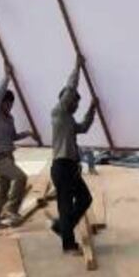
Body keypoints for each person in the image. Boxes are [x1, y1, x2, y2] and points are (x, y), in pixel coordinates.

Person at [49, 56, 97, 254]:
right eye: (75, 102)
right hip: (61, 166)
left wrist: (92, 108)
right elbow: (70, 88)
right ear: (66, 101)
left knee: (85, 198)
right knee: (66, 205)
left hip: (70, 167)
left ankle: (62, 226)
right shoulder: (59, 113)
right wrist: (77, 66)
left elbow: (84, 127)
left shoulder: (69, 120)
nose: (76, 106)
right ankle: (68, 244)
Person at [0, 66, 35, 229]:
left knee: (2, 190)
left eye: (11, 105)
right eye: (7, 104)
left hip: (8, 155)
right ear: (2, 103)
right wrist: (7, 77)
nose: (9, 107)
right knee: (21, 177)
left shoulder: (9, 118)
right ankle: (11, 209)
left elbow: (13, 137)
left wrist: (27, 133)